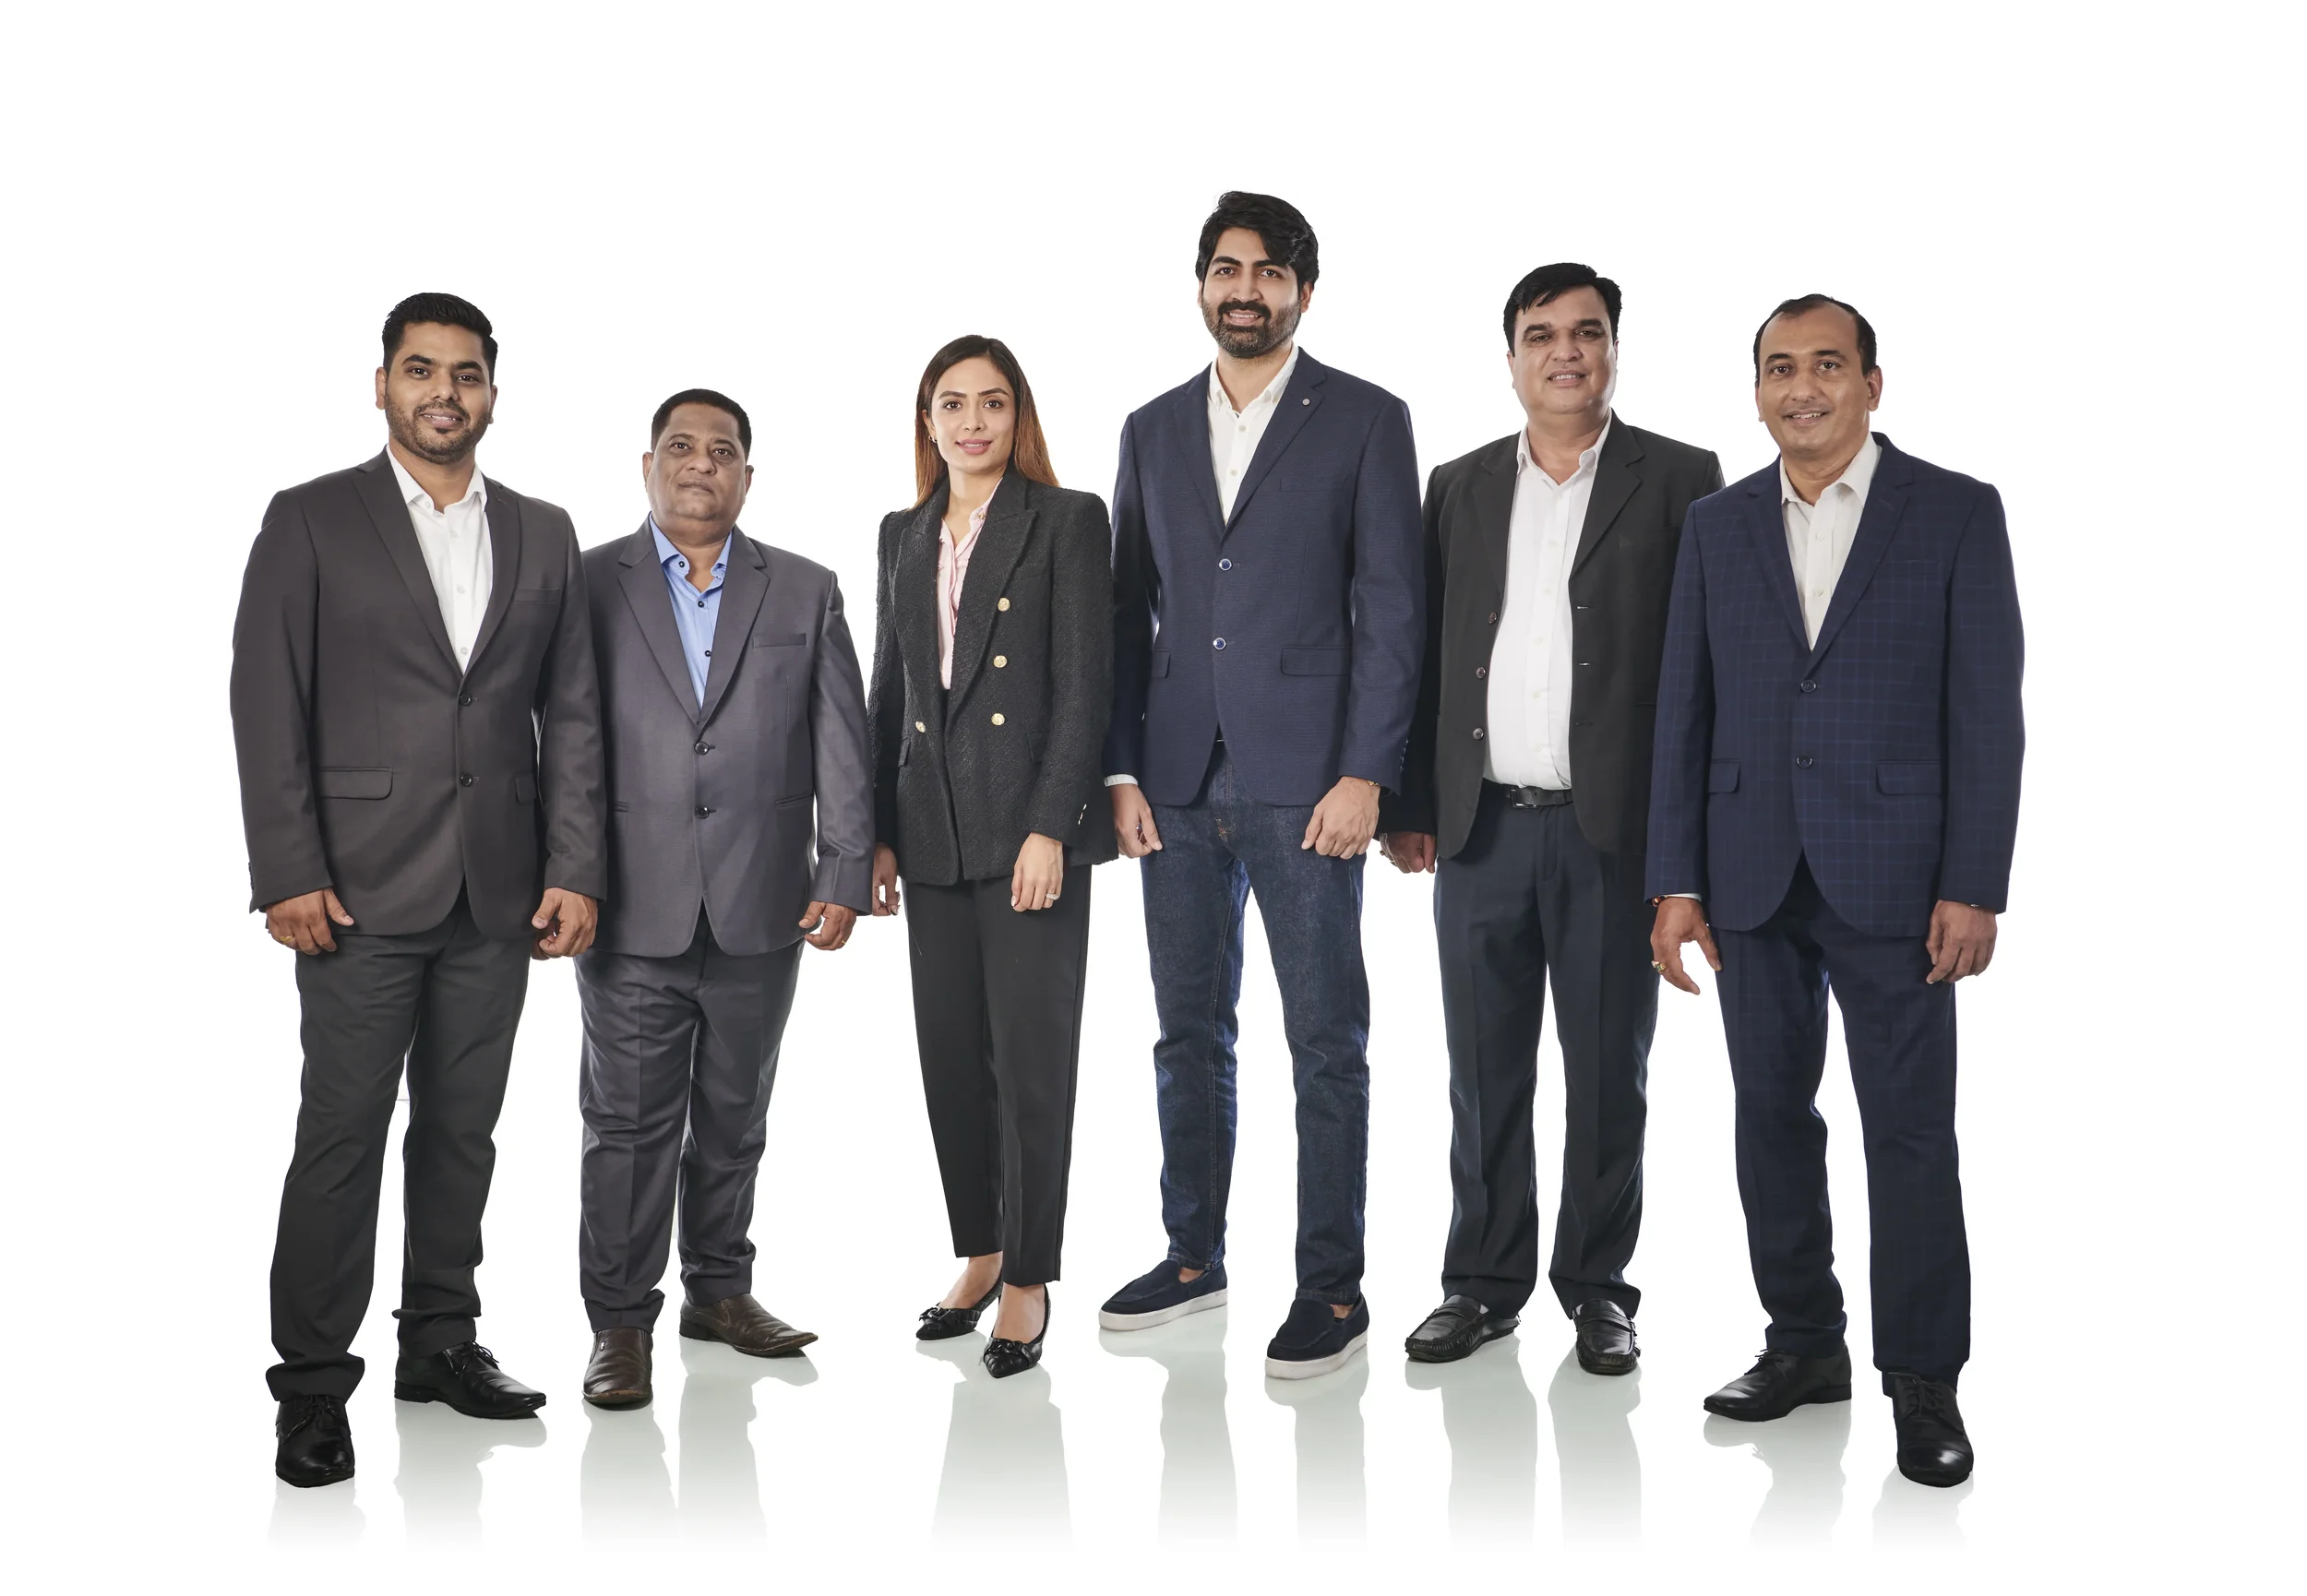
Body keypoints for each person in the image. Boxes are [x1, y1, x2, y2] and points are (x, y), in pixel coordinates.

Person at [1648, 295, 2024, 1487]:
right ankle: (1804, 1342)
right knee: (1771, 1120)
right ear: (1755, 389)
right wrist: (1676, 880)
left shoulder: (1957, 513)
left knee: (1909, 1136)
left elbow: (1988, 717)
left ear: (1873, 380)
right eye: (1777, 368)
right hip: (1752, 871)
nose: (1799, 387)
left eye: (1825, 365)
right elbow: (1682, 712)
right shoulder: (1716, 525)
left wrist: (1975, 882)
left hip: (1900, 882)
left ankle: (1925, 1381)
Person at [232, 292, 605, 1487]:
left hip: (497, 891)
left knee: (462, 1134)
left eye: (468, 374)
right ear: (382, 383)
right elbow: (264, 703)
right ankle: (309, 1388)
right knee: (340, 1139)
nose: (445, 392)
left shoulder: (545, 533)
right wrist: (288, 869)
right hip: (354, 893)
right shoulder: (310, 519)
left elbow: (576, 715)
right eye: (421, 370)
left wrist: (575, 865)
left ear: (494, 390)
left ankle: (439, 1342)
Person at [1099, 193, 1423, 1379]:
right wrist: (1122, 765)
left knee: (1324, 1040)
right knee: (1188, 1031)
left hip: (1309, 784)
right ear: (1199, 284)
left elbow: (1393, 610)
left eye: (1269, 272)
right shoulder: (1148, 427)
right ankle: (1194, 1256)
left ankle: (1330, 1289)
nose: (1246, 288)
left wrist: (1365, 772)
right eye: (1226, 269)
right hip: (1176, 780)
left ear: (1302, 290)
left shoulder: (1366, 420)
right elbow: (1130, 610)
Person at [1379, 264, 1724, 1372]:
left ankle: (1598, 1289)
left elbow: (1698, 677)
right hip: (1480, 828)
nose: (1564, 352)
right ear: (1511, 354)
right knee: (1484, 1071)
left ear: (1614, 349)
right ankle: (1480, 1282)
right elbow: (1428, 654)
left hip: (1610, 836)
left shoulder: (1680, 480)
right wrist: (1414, 804)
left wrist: (1683, 856)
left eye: (1586, 333)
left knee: (1606, 1071)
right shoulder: (1460, 484)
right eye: (1541, 335)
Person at [574, 390, 873, 1410]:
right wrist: (566, 874)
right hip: (628, 906)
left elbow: (844, 742)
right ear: (647, 463)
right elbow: (562, 744)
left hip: (764, 901)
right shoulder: (585, 585)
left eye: (724, 450)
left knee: (735, 1117)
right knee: (627, 1125)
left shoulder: (803, 588)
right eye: (681, 447)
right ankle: (620, 1322)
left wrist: (843, 870)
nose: (702, 463)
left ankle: (720, 1291)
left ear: (748, 474)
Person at [868, 336, 1114, 1378]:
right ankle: (980, 1247)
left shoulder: (1065, 520)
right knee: (949, 1056)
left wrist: (1052, 826)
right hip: (931, 832)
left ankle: (1030, 1273)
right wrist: (875, 828)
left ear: (1020, 418)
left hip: (1026, 834)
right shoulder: (902, 531)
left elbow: (1085, 685)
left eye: (993, 403)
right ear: (926, 418)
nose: (972, 421)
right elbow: (894, 687)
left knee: (1030, 1063)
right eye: (952, 403)